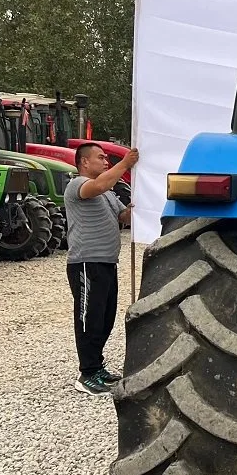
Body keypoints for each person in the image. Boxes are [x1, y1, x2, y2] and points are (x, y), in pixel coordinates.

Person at [64, 143, 139, 395]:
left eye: (107, 158)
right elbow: (99, 185)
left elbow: (124, 217)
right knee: (89, 318)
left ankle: (97, 368)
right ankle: (86, 374)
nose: (106, 161)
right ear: (84, 162)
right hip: (86, 262)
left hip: (107, 262)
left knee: (105, 318)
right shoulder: (78, 185)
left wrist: (139, 205)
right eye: (101, 157)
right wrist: (125, 164)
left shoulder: (108, 193)